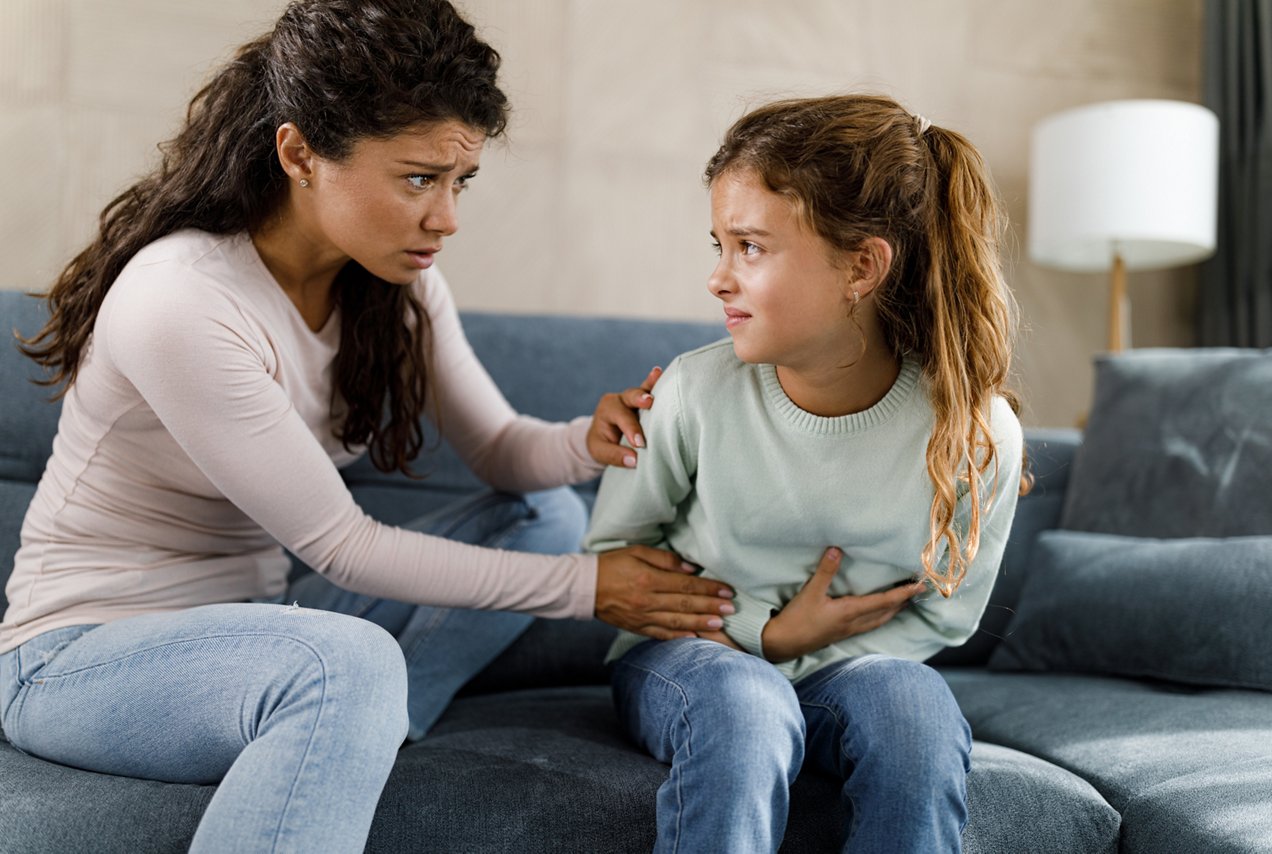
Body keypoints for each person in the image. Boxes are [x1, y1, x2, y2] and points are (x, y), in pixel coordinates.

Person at [0, 1, 737, 851]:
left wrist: (587, 439)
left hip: (262, 620)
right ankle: (349, 709)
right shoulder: (181, 300)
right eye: (419, 178)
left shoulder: (398, 282)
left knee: (544, 516)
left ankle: (348, 727)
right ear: (299, 153)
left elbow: (499, 453)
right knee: (343, 662)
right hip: (79, 659)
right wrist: (590, 589)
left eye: (460, 181)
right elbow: (343, 548)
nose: (447, 217)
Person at [583, 94, 1031, 853]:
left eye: (749, 248)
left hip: (851, 674)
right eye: (718, 245)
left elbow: (945, 616)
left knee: (915, 708)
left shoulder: (979, 432)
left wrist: (806, 651)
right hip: (692, 665)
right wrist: (766, 637)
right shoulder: (692, 392)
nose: (717, 279)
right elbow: (610, 569)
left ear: (862, 266)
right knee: (746, 702)